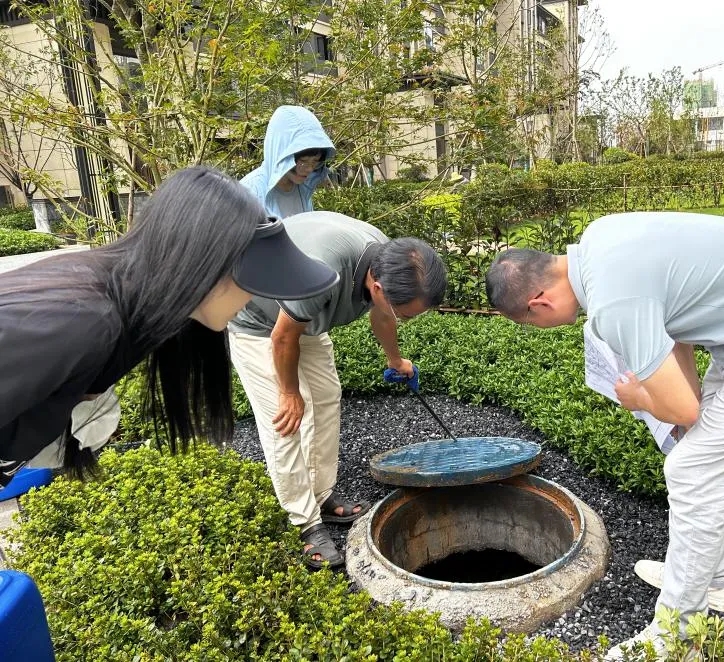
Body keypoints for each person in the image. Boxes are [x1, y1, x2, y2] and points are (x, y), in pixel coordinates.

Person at [484, 211, 724, 660]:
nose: (537, 329)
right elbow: (675, 327)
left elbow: (681, 408)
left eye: (528, 324)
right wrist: (684, 411)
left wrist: (638, 397)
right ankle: (710, 586)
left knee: (693, 473)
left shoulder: (614, 304)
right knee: (697, 458)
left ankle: (679, 637)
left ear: (539, 303)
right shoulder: (600, 240)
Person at [0, 166, 339, 487]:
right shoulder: (82, 318)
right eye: (250, 277)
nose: (251, 297)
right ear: (200, 263)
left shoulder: (134, 316)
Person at [228, 211, 447, 569]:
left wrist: (395, 360)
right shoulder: (323, 272)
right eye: (406, 314)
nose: (405, 319)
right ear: (377, 287)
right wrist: (289, 393)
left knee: (326, 397)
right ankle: (305, 521)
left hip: (302, 316)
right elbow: (283, 337)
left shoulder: (383, 259)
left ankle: (321, 493)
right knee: (285, 422)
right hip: (256, 318)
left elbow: (382, 314)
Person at [242, 105, 335, 219]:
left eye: (315, 161)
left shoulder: (303, 189)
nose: (309, 169)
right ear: (282, 156)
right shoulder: (249, 192)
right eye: (303, 161)